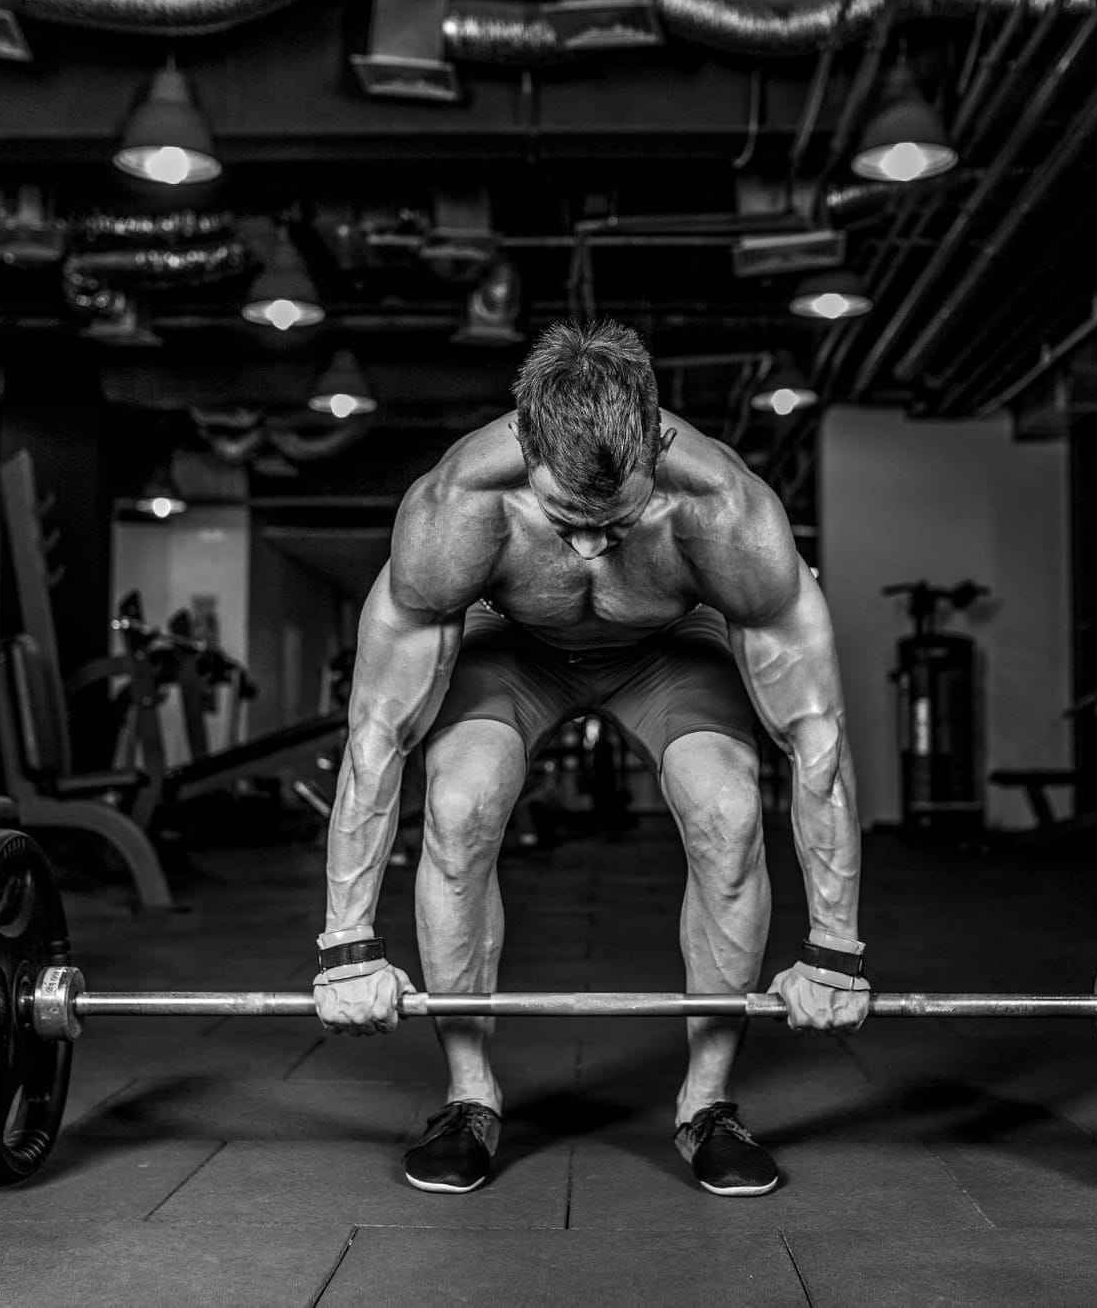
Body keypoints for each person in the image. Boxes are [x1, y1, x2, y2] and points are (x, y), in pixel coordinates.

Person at [312, 320, 868, 1198]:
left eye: (616, 521)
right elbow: (378, 735)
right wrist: (347, 943)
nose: (588, 548)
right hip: (511, 639)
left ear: (656, 441)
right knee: (459, 807)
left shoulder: (730, 514)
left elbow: (818, 739)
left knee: (728, 815)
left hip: (673, 642)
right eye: (567, 519)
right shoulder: (454, 509)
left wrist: (834, 949)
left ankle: (708, 1105)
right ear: (527, 443)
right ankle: (467, 1098)